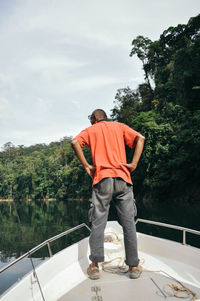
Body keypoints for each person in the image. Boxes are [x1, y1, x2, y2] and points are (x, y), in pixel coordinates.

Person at [72, 109, 145, 280]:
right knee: (128, 224)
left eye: (91, 119)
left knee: (98, 224)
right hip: (123, 179)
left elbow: (75, 142)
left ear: (94, 118)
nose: (90, 122)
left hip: (102, 179)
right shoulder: (119, 126)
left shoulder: (90, 130)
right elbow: (140, 138)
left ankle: (95, 266)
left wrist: (86, 166)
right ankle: (133, 266)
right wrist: (133, 163)